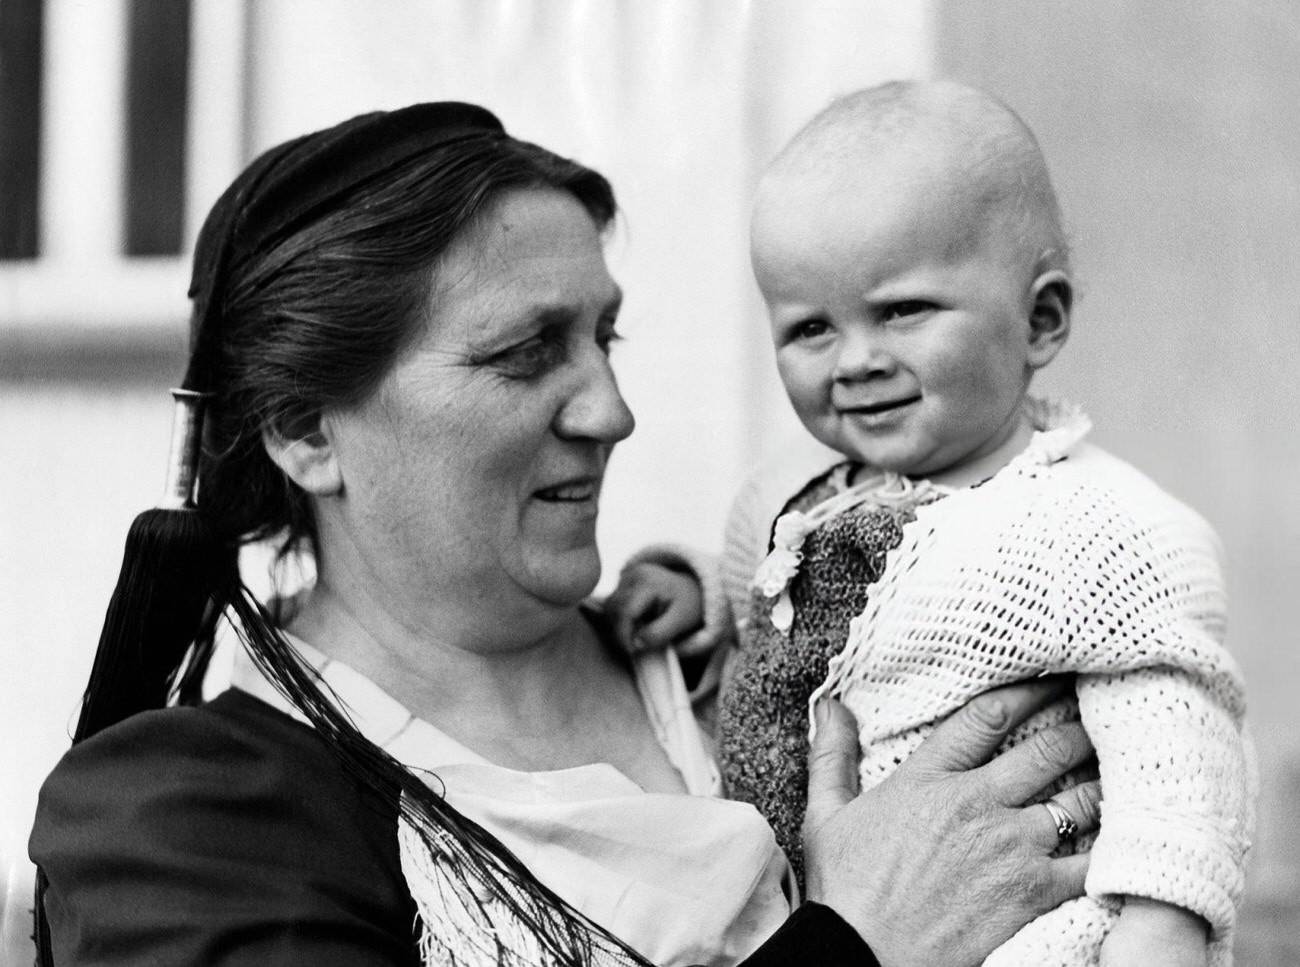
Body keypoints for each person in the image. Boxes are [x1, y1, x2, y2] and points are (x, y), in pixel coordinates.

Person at [29, 102, 1102, 967]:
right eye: (524, 353)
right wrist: (854, 946)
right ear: (309, 431)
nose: (610, 410)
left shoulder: (728, 669)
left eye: (602, 336)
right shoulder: (188, 823)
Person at [611, 80, 1254, 967]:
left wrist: (1161, 928)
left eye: (902, 310)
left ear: (1040, 318)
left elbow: (1179, 753)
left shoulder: (1101, 526)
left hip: (1032, 927)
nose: (858, 360)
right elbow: (762, 602)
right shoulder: (788, 494)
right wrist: (692, 595)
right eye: (810, 329)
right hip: (820, 923)